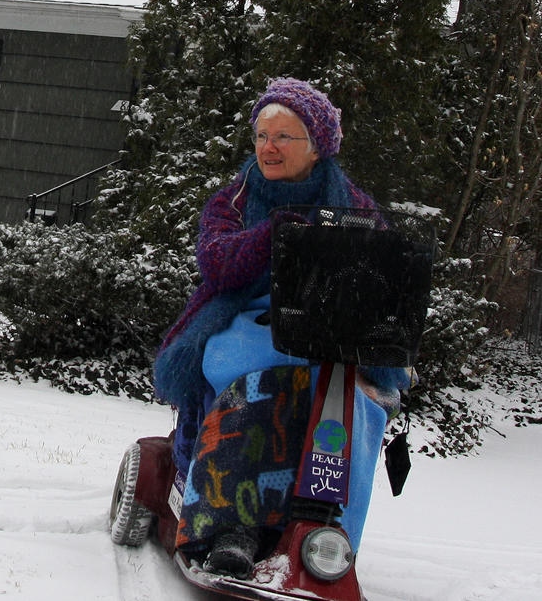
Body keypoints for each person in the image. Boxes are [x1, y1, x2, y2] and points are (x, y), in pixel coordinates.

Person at [151, 78, 413, 578]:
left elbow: (382, 279)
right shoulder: (232, 200)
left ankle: (327, 536)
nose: (268, 147)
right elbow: (220, 266)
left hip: (326, 329)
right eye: (261, 135)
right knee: (260, 380)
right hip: (246, 319)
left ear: (316, 147)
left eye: (283, 136)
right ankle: (232, 527)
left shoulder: (354, 206)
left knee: (356, 403)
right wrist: (282, 231)